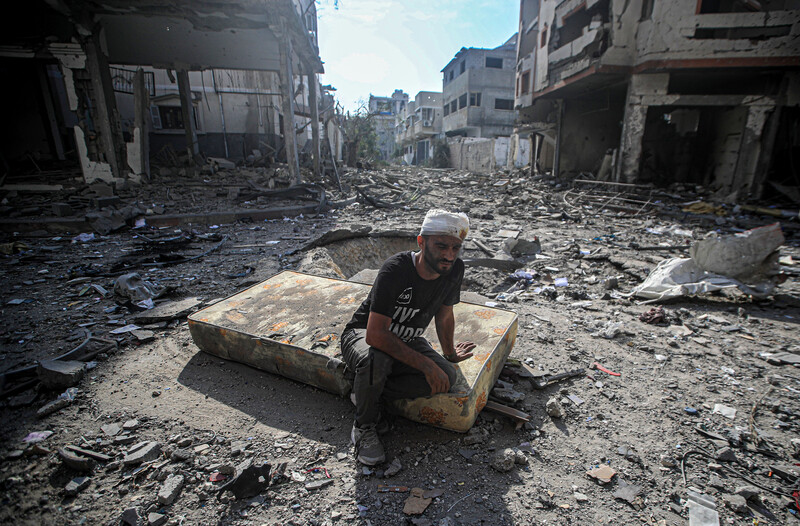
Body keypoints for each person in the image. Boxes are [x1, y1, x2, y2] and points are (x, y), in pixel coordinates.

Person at [340, 209, 477, 465]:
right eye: (441, 246)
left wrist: (449, 355)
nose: (448, 255)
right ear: (421, 242)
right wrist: (425, 364)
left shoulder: (454, 269)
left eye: (455, 248)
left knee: (445, 377)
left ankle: (363, 388)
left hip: (407, 339)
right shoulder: (396, 269)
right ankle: (364, 426)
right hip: (363, 334)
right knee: (376, 360)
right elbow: (375, 334)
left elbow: (445, 315)